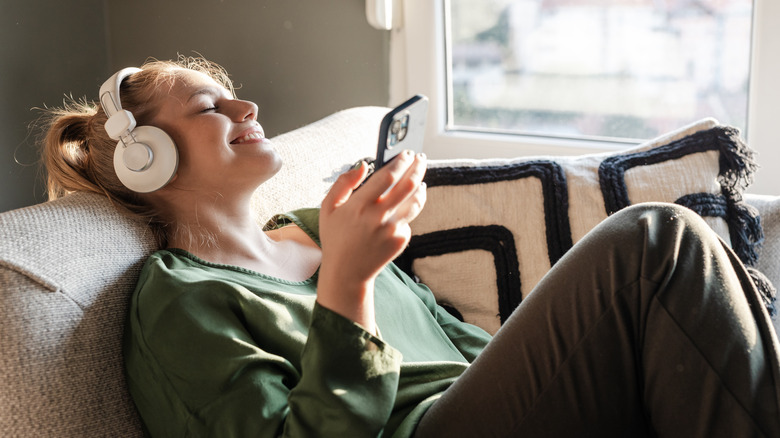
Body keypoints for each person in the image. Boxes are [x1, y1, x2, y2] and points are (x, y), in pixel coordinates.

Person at [41, 55, 780, 437]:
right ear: (149, 160)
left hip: (487, 411)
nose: (247, 106)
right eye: (209, 105)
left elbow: (457, 341)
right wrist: (349, 287)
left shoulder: (318, 221)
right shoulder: (180, 301)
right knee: (655, 240)